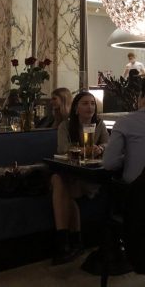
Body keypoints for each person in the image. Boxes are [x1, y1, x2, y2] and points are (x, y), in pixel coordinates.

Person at [50, 91, 109, 265]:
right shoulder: (65, 126)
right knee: (58, 179)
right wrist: (83, 150)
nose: (90, 107)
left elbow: (108, 143)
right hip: (71, 173)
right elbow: (63, 149)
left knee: (61, 184)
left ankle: (68, 243)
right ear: (76, 108)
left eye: (92, 103)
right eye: (85, 103)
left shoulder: (99, 124)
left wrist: (100, 148)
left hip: (90, 176)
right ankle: (70, 242)